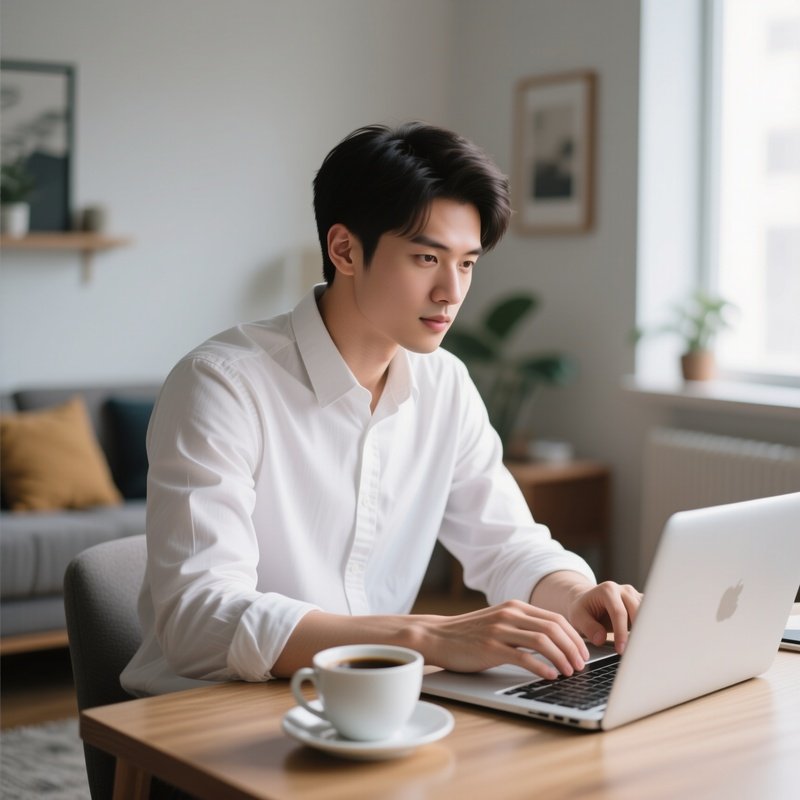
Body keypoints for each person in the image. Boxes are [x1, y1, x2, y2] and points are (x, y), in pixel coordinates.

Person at [121, 122, 641, 697]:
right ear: (344, 249)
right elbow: (198, 621)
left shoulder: (444, 384)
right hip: (210, 717)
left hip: (371, 704)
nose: (451, 291)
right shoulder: (221, 385)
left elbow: (506, 543)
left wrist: (574, 595)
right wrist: (421, 637)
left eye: (467, 263)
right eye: (426, 258)